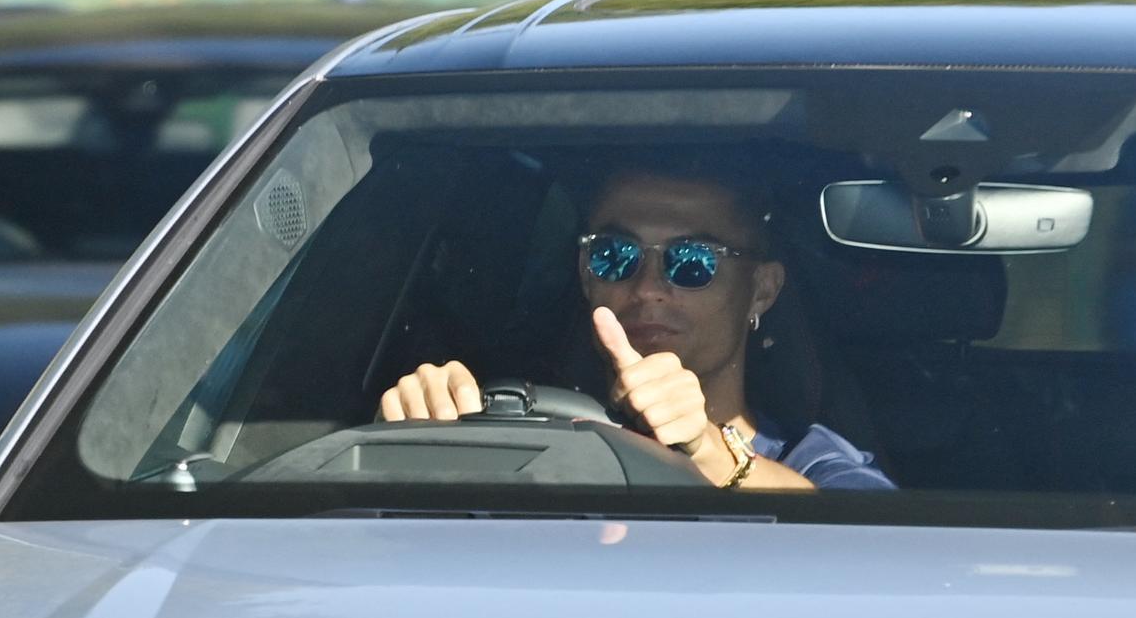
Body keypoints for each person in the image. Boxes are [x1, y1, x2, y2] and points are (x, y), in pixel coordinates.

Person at [380, 161, 894, 490]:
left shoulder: (812, 460)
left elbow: (881, 549)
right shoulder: (517, 437)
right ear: (585, 275)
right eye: (614, 255)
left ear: (762, 290)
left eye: (692, 261)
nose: (647, 287)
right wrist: (414, 439)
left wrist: (709, 450)